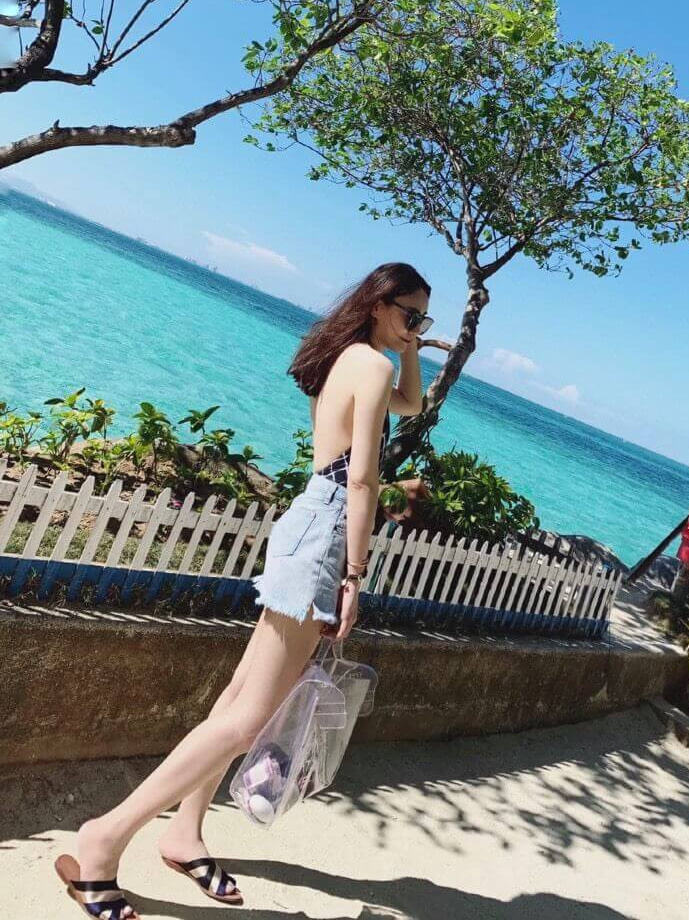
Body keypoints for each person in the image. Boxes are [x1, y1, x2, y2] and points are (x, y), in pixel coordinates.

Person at [54, 262, 432, 919]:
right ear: (379, 305)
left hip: (308, 518)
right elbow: (364, 480)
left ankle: (184, 832)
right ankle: (103, 838)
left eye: (424, 320)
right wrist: (354, 576)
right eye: (409, 315)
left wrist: (411, 349)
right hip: (326, 533)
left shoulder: (353, 359)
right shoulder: (369, 365)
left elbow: (412, 404)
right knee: (247, 718)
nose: (416, 327)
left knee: (237, 697)